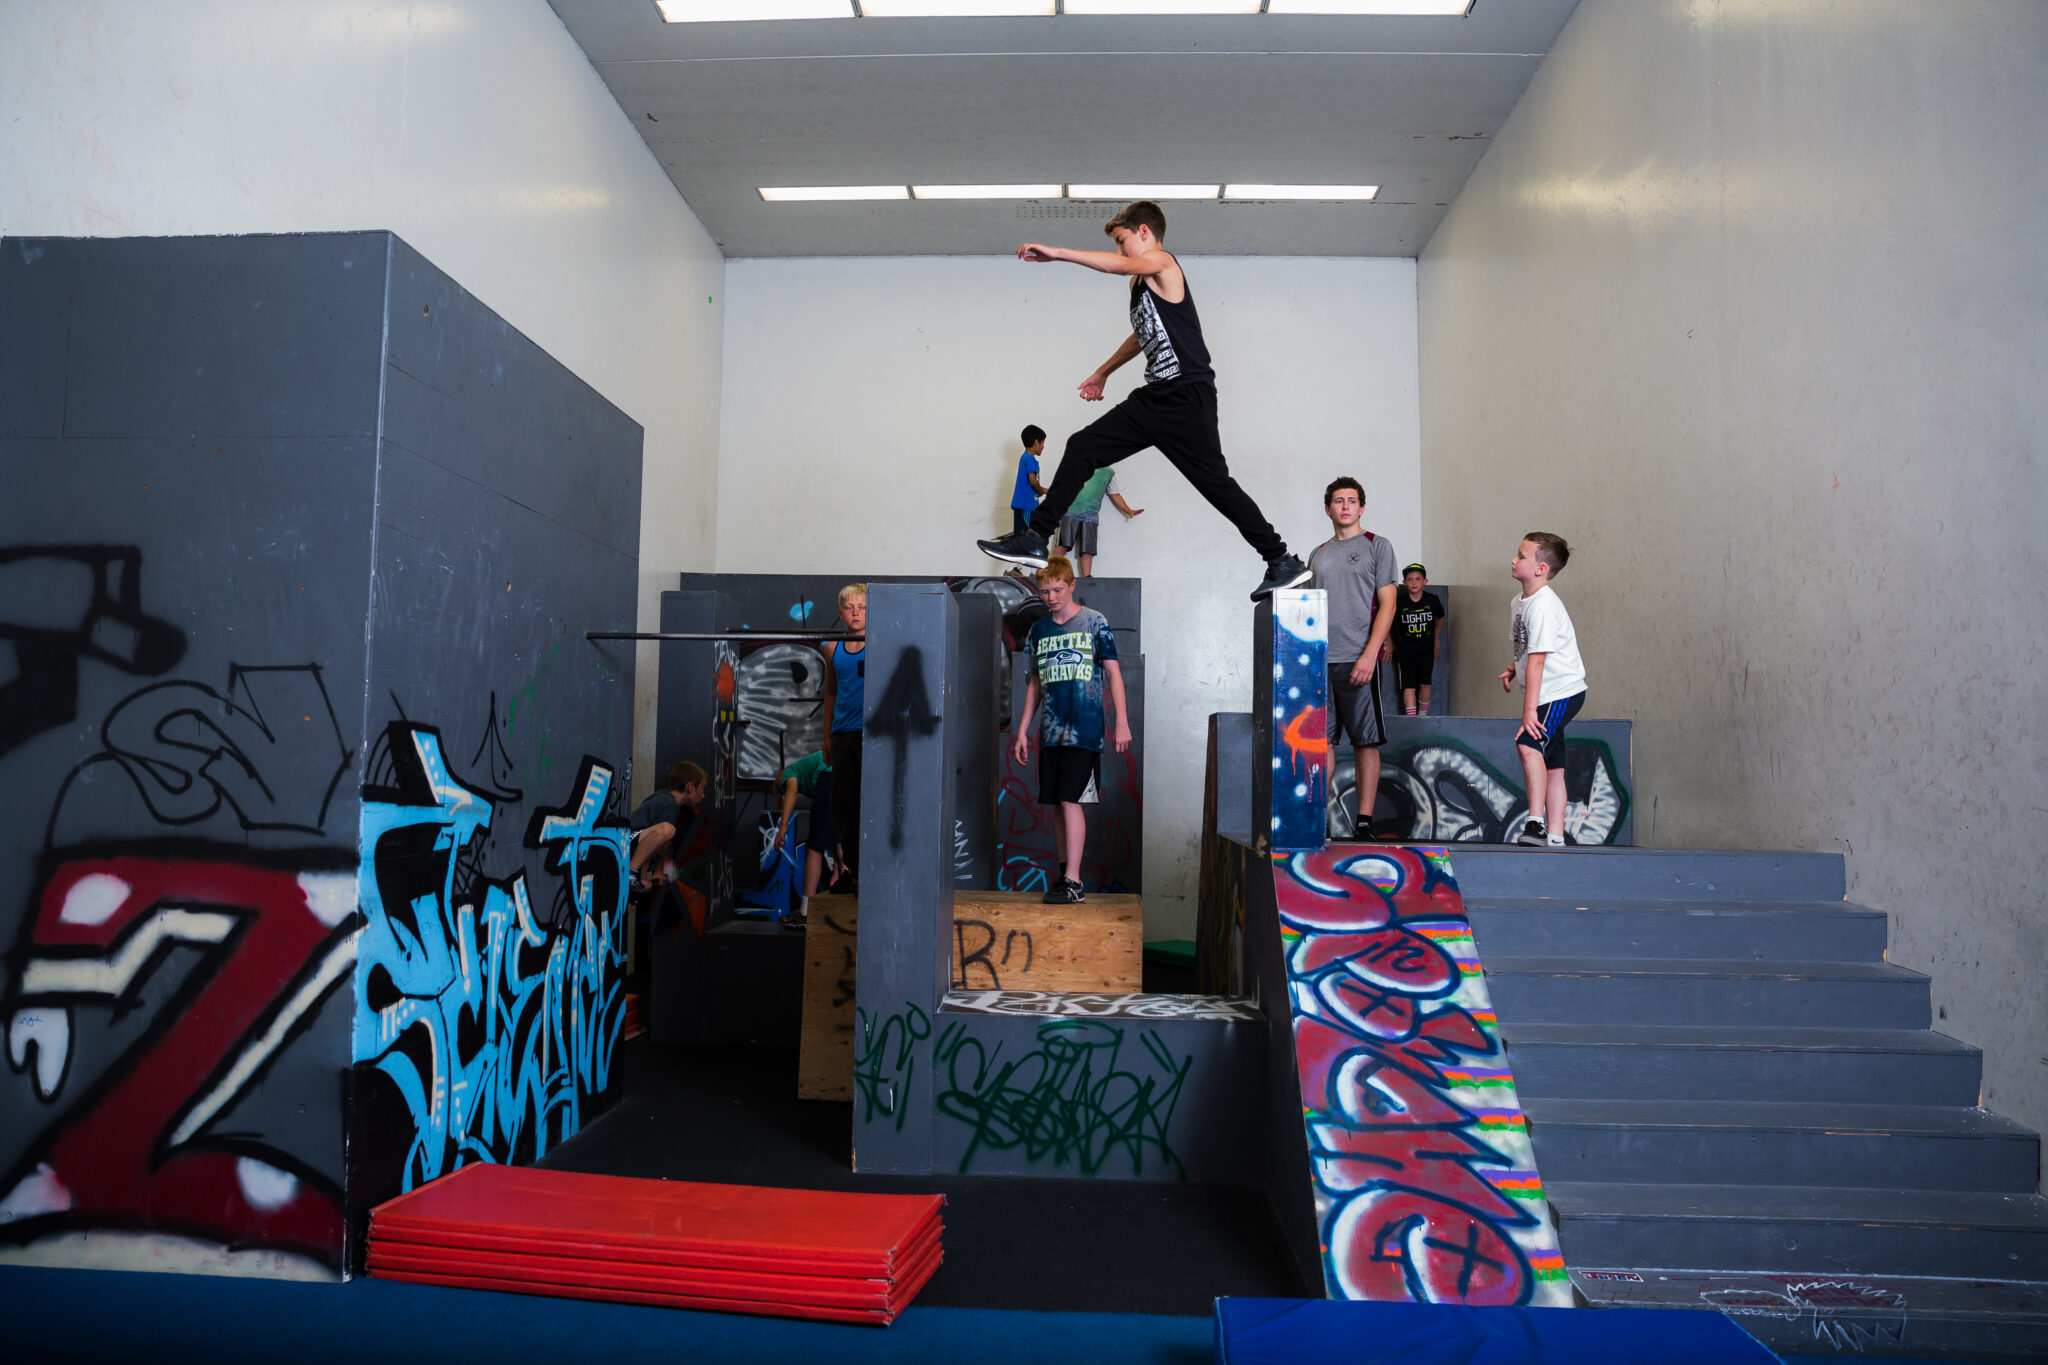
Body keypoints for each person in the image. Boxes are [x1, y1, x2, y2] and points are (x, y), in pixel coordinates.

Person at [975, 201, 1310, 602]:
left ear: (1145, 232)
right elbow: (1141, 336)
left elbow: (1119, 267)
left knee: (1216, 485)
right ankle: (1035, 539)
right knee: (1083, 446)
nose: (1120, 253)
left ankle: (1281, 560)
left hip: (1187, 395)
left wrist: (1059, 252)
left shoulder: (1162, 263)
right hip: (1156, 398)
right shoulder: (1142, 288)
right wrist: (1104, 372)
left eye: (1122, 242)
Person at [1010, 555, 1131, 904]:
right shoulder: (1039, 631)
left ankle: (1074, 882)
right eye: (1045, 591)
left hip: (1084, 730)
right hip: (1050, 731)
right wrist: (1022, 730)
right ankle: (1065, 873)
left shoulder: (1094, 622)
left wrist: (1121, 722)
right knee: (1056, 804)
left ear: (1072, 585)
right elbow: (1036, 683)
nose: (1051, 597)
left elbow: (1114, 674)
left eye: (1058, 589)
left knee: (1070, 799)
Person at [1308, 477, 1399, 840]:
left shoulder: (1378, 546)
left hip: (1358, 660)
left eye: (1352, 500)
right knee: (1322, 743)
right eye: (1338, 501)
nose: (1345, 506)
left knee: (1365, 741)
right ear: (1328, 508)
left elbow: (1389, 604)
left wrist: (1369, 655)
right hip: (1319, 663)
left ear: (1362, 507)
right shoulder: (1317, 554)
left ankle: (1363, 822)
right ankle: (1316, 818)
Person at [1497, 533, 1587, 848]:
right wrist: (1513, 666)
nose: (1514, 559)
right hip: (1547, 692)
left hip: (1560, 692)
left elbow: (1537, 663)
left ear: (1541, 569)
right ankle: (1556, 835)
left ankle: (1535, 823)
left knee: (1528, 744)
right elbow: (1528, 648)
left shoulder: (1544, 605)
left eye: (1522, 556)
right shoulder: (1519, 602)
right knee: (1553, 764)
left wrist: (1528, 712)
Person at [818, 583, 866, 888]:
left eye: (862, 607)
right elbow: (831, 692)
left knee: (868, 803)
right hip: (841, 734)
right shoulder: (832, 647)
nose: (856, 613)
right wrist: (826, 737)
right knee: (842, 805)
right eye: (850, 608)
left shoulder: (881, 641)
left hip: (871, 736)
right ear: (840, 613)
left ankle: (871, 870)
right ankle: (854, 870)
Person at [769, 747, 836, 928]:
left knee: (814, 848)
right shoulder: (810, 771)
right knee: (838, 837)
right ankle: (842, 884)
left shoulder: (791, 772)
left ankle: (805, 912)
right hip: (843, 773)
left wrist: (783, 826)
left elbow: (791, 790)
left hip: (829, 775)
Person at [627, 760, 709, 886]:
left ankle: (631, 872)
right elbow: (651, 842)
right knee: (667, 830)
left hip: (632, 842)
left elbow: (662, 843)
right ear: (691, 787)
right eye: (702, 789)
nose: (703, 795)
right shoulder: (669, 805)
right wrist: (642, 877)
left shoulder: (666, 799)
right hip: (628, 842)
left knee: (668, 832)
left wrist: (658, 871)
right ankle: (630, 871)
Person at [1054, 466, 1144, 577]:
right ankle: (1052, 573)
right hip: (1070, 511)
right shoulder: (1080, 461)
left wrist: (1128, 510)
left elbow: (1115, 494)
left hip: (1091, 515)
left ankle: (1087, 578)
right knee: (1063, 545)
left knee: (1088, 550)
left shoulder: (1109, 472)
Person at [1391, 563, 1448, 716]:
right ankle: (1412, 720)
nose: (1414, 582)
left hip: (1426, 650)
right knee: (1408, 685)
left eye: (1418, 579)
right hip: (1405, 651)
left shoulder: (1432, 600)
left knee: (1425, 683)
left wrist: (1436, 638)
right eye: (1410, 579)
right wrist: (1389, 643)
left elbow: (1441, 617)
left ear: (1425, 581)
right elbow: (1388, 622)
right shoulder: (1399, 602)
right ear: (1404, 583)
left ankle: (1422, 717)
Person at [1010, 425, 1048, 535]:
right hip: (1025, 505)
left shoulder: (1027, 458)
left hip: (1028, 506)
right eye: (1043, 443)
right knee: (1025, 537)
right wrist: (1041, 491)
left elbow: (1034, 485)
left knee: (1027, 537)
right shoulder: (1029, 458)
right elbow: (1033, 481)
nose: (1043, 446)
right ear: (1036, 442)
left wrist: (1049, 491)